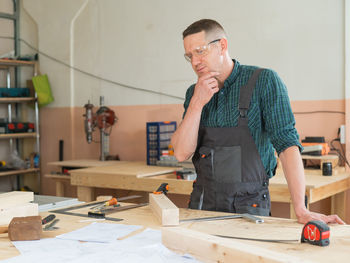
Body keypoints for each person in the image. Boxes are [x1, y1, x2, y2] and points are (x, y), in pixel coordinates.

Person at [171, 18, 344, 224]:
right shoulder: (194, 92)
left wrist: (301, 208)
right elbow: (181, 153)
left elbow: (287, 144)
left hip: (248, 208)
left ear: (222, 46)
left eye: (200, 51)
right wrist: (196, 104)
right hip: (201, 207)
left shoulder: (264, 82)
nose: (194, 62)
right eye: (189, 55)